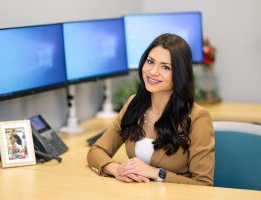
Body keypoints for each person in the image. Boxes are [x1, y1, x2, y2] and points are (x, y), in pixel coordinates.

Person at [87, 33, 215, 186]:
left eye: (165, 67)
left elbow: (203, 184)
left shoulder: (198, 117)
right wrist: (115, 169)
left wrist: (155, 173)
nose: (153, 71)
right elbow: (96, 151)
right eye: (150, 61)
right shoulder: (134, 104)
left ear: (180, 74)